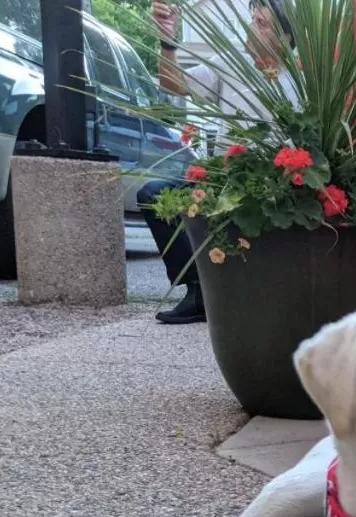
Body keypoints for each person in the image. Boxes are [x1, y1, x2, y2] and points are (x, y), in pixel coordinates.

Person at [139, 0, 297, 324]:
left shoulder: (301, 80)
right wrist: (167, 40)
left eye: (263, 24)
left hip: (275, 184)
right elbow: (174, 83)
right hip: (224, 177)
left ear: (286, 37)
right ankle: (197, 290)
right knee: (153, 195)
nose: (253, 28)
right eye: (253, 19)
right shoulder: (231, 62)